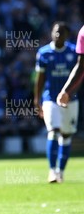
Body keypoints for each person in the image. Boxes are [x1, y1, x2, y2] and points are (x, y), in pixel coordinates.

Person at [41, 22, 81, 183]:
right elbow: (40, 79)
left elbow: (80, 74)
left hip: (71, 100)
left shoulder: (74, 52)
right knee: (53, 131)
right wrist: (37, 101)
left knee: (66, 135)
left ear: (67, 35)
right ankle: (51, 171)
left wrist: (71, 93)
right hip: (50, 98)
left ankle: (60, 171)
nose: (58, 35)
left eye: (61, 32)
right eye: (55, 32)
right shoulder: (44, 53)